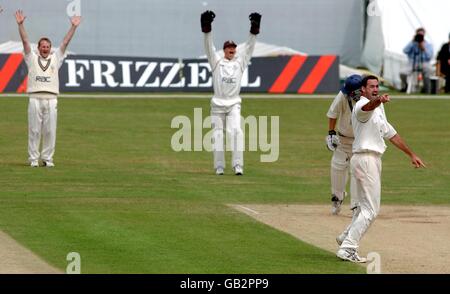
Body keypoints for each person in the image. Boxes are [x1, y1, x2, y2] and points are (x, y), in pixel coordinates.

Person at [336, 75, 425, 263]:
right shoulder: (361, 106)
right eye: (371, 87)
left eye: (377, 86)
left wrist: (411, 154)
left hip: (368, 160)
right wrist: (378, 100)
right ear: (363, 89)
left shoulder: (379, 107)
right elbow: (369, 107)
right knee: (371, 210)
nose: (375, 89)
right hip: (366, 159)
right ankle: (348, 248)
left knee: (363, 207)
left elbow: (390, 133)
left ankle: (346, 237)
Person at [15, 10, 81, 167]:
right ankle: (33, 159)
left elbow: (65, 42)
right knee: (34, 130)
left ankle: (47, 159)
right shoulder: (31, 58)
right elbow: (25, 41)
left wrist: (73, 27)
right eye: (43, 46)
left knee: (50, 131)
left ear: (51, 48)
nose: (45, 48)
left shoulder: (56, 58)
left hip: (51, 99)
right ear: (38, 48)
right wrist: (21, 25)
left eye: (48, 46)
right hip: (35, 98)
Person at [201, 10, 261, 175]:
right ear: (224, 50)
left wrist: (254, 29)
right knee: (218, 135)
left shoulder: (240, 62)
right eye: (228, 47)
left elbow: (249, 47)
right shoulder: (216, 62)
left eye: (233, 47)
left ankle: (238, 166)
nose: (231, 49)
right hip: (217, 104)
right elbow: (208, 47)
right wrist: (207, 29)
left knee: (237, 132)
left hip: (234, 103)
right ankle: (219, 167)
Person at [326, 74, 363, 215]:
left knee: (357, 172)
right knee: (337, 168)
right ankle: (337, 199)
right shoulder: (343, 95)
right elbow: (332, 113)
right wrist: (331, 133)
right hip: (342, 140)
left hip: (360, 141)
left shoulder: (368, 99)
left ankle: (356, 205)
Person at [402, 28, 433, 94]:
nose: (420, 37)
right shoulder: (412, 43)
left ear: (424, 35)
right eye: (418, 35)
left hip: (424, 62)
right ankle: (406, 86)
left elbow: (429, 57)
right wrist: (412, 41)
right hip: (412, 62)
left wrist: (423, 48)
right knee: (402, 73)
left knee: (428, 70)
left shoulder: (428, 45)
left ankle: (427, 90)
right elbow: (405, 51)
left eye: (421, 35)